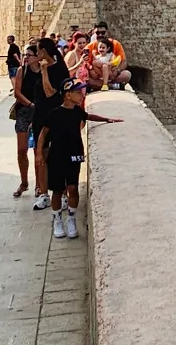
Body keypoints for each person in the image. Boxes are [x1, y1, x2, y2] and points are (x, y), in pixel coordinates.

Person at [39, 79, 121, 239]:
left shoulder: (77, 111)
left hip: (74, 153)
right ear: (68, 95)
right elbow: (43, 133)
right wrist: (39, 154)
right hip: (57, 155)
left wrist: (107, 119)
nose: (81, 95)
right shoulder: (55, 113)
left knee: (73, 187)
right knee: (56, 190)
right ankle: (57, 220)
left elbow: (89, 116)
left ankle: (71, 219)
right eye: (78, 92)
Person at [28, 37, 71, 210]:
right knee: (42, 156)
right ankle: (45, 194)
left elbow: (50, 93)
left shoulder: (59, 69)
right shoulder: (35, 70)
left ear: (44, 52)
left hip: (56, 117)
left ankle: (63, 194)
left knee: (59, 157)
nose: (37, 54)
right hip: (40, 118)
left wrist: (45, 72)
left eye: (38, 51)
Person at [9, 54, 35, 198]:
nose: (26, 58)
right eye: (25, 55)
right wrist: (30, 104)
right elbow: (17, 92)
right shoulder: (22, 70)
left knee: (39, 150)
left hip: (39, 112)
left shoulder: (44, 70)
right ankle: (24, 182)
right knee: (21, 149)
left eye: (30, 55)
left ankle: (40, 185)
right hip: (24, 111)